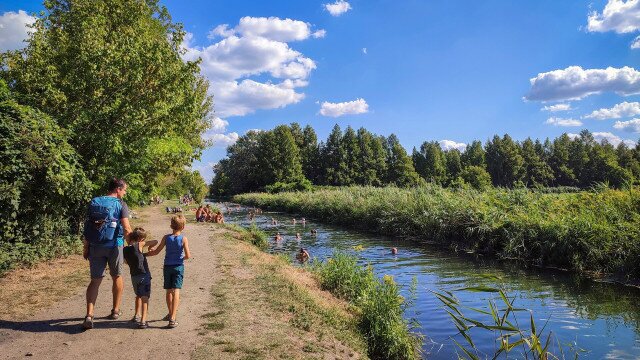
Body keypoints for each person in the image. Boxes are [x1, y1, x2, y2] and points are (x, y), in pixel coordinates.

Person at [82, 178, 132, 330]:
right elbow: (127, 228)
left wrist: (86, 247)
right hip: (114, 246)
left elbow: (88, 227)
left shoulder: (95, 202)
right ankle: (115, 310)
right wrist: (134, 246)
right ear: (117, 189)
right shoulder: (121, 204)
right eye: (124, 190)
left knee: (95, 280)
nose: (124, 193)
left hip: (95, 245)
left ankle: (89, 315)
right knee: (117, 276)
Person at [148, 215, 191, 328]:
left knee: (168, 291)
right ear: (183, 227)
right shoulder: (183, 239)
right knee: (176, 290)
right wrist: (181, 258)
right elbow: (188, 255)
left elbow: (157, 251)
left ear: (171, 225)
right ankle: (173, 317)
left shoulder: (166, 238)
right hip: (178, 267)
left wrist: (149, 251)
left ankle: (170, 313)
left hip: (167, 267)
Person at [122, 228, 158, 329]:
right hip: (144, 275)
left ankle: (136, 315)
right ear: (141, 239)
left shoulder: (124, 249)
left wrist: (143, 255)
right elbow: (155, 241)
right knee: (145, 297)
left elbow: (126, 261)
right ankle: (143, 320)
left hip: (134, 276)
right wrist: (150, 247)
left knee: (138, 295)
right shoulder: (139, 244)